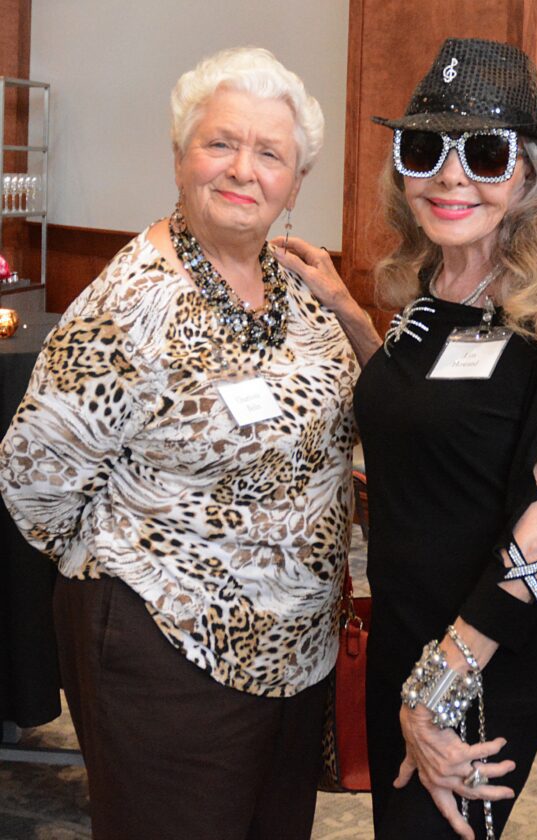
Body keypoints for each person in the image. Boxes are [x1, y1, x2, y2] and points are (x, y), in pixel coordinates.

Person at [0, 47, 358, 839]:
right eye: (220, 143)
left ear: (296, 183)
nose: (243, 170)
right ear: (179, 155)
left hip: (297, 655)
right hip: (166, 655)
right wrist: (149, 567)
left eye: (270, 154)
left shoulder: (300, 287)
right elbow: (34, 479)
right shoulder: (131, 299)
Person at [275, 37, 537, 839]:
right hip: (403, 619)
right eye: (426, 148)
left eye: (487, 153)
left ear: (528, 174)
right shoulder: (431, 283)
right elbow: (418, 401)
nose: (451, 176)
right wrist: (353, 318)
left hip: (488, 643)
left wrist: (440, 683)